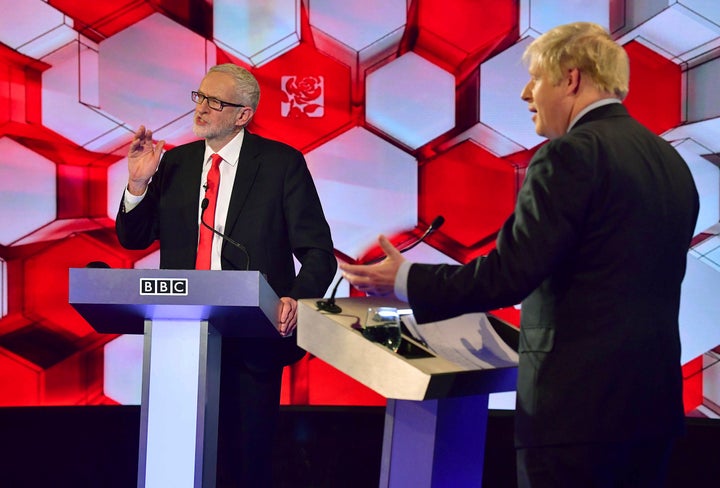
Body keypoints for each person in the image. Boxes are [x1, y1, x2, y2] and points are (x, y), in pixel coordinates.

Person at [340, 22, 699, 488]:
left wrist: (405, 279)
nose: (527, 94)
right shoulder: (668, 161)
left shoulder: (569, 154)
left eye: (536, 79)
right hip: (651, 413)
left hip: (576, 419)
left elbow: (508, 275)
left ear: (571, 79)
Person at [115, 63, 337, 486]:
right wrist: (138, 184)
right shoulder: (175, 164)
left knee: (243, 466)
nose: (201, 109)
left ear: (242, 114)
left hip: (250, 341)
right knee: (178, 462)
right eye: (199, 97)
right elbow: (134, 238)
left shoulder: (280, 164)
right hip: (180, 341)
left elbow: (318, 254)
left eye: (215, 102)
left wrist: (293, 298)